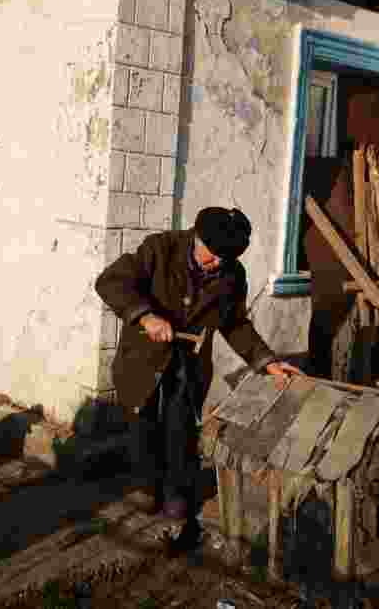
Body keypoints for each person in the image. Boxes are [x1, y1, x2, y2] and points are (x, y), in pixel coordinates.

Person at [95, 207, 303, 547]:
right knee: (142, 420)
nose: (218, 264)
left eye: (225, 259)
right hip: (143, 357)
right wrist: (145, 316)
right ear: (197, 237)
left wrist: (266, 362)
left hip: (187, 362)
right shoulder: (160, 250)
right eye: (213, 255)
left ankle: (177, 494)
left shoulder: (231, 274)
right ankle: (148, 485)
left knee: (179, 428)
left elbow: (235, 324)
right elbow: (111, 281)